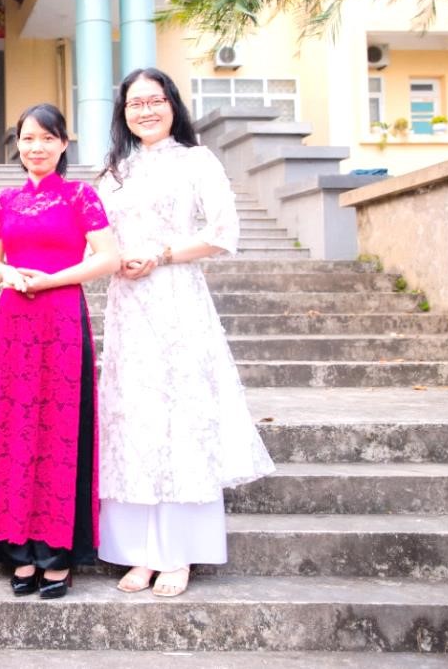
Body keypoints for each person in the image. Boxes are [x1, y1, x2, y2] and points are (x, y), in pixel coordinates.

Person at [96, 68, 275, 598]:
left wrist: (162, 253)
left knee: (180, 419)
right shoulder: (115, 171)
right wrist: (112, 260)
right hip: (128, 306)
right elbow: (98, 239)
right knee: (133, 420)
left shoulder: (198, 161)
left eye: (155, 100)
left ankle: (177, 553)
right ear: (123, 114)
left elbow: (222, 233)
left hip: (177, 300)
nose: (145, 111)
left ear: (172, 105)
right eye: (135, 104)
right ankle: (139, 552)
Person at [0, 104, 120, 599]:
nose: (36, 147)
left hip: (62, 318)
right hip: (14, 321)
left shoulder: (81, 195)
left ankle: (58, 554)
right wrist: (10, 274)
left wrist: (50, 280)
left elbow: (109, 257)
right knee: (15, 428)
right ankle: (19, 550)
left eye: (46, 138)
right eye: (27, 138)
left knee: (60, 428)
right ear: (17, 145)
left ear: (63, 144)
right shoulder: (5, 199)